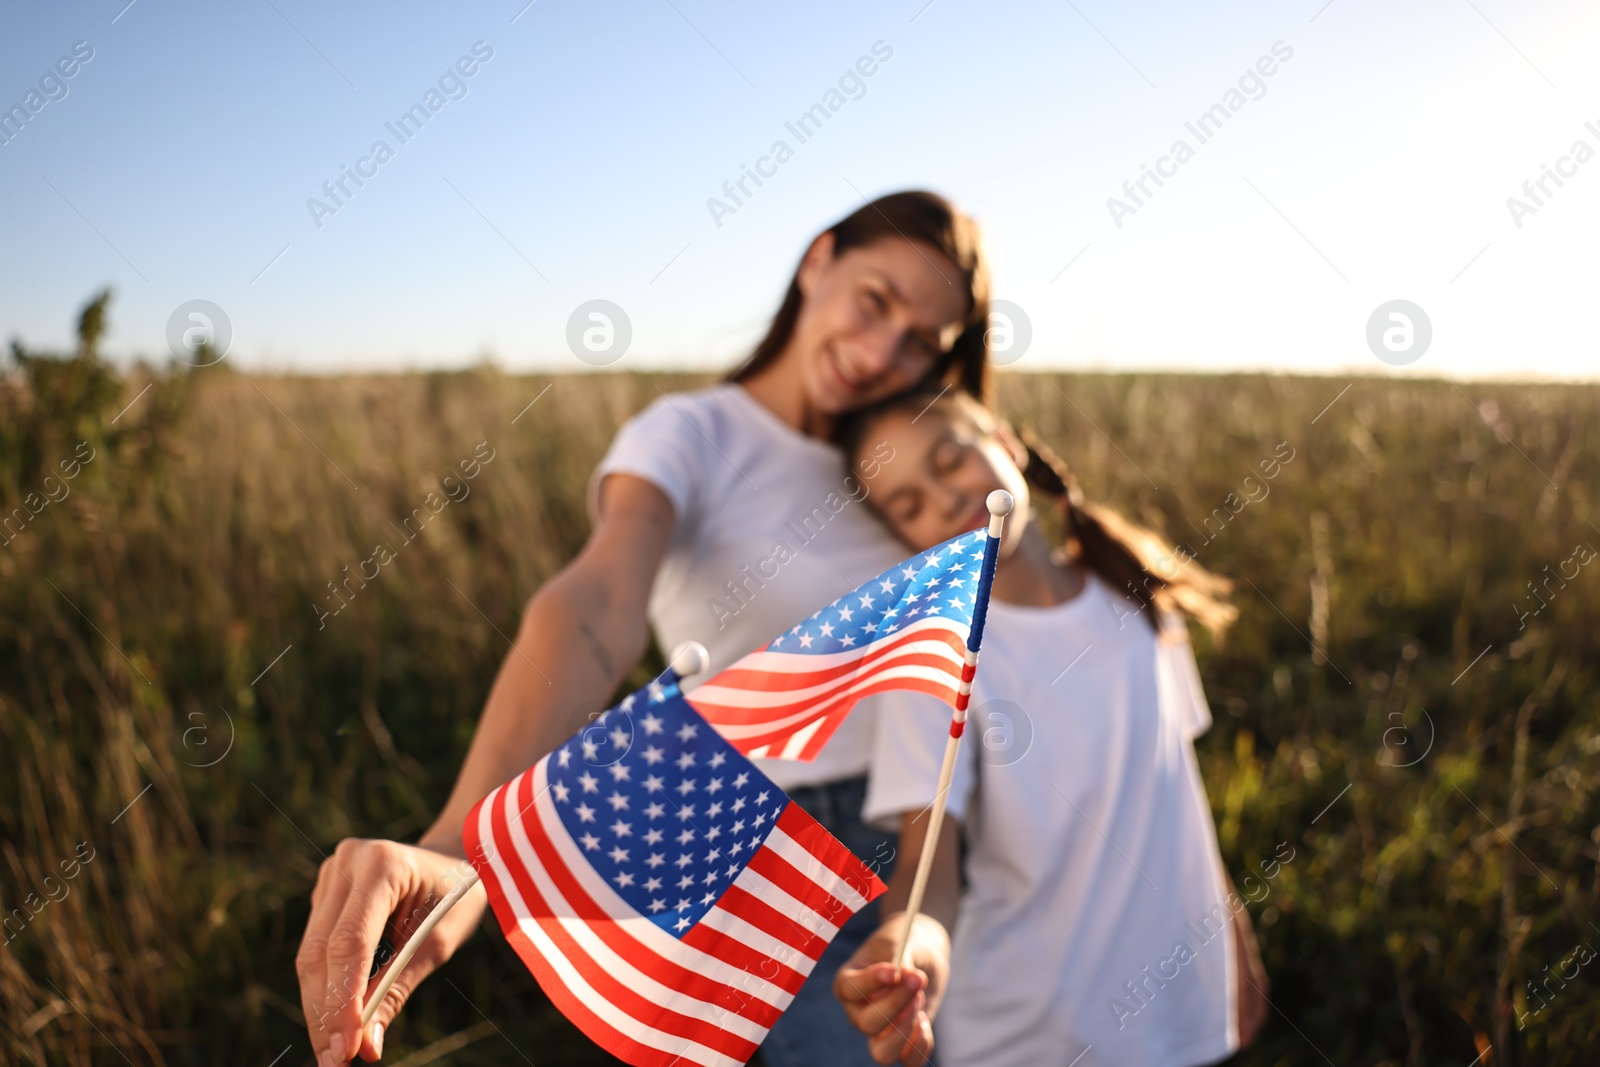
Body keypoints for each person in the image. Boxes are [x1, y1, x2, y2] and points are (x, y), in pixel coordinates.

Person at [294, 191, 993, 1067]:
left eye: (923, 341)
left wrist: (916, 905)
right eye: (875, 300)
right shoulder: (693, 431)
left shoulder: (909, 459)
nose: (881, 351)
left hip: (897, 830)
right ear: (818, 261)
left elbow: (935, 685)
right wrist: (454, 847)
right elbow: (596, 603)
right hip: (735, 824)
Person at [828, 387, 1271, 1067]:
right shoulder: (938, 660)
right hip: (1032, 1032)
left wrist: (1232, 934)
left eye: (950, 460)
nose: (944, 499)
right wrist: (908, 944)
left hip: (1181, 1004)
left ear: (1006, 444)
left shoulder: (1134, 592)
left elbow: (1177, 792)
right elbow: (928, 864)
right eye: (909, 505)